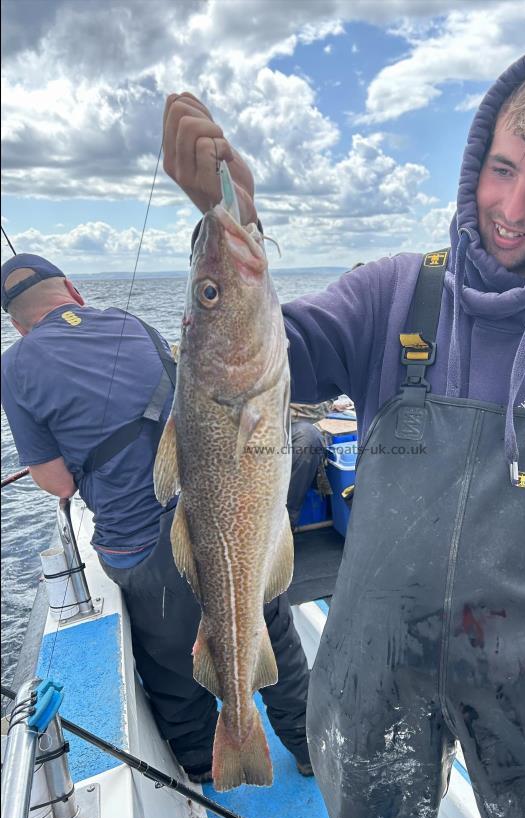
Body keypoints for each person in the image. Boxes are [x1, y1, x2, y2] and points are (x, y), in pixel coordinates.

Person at [163, 46, 525, 818]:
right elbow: (271, 352)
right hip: (377, 671)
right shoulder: (393, 295)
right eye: (501, 170)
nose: (510, 207)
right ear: (477, 161)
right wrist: (232, 219)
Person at [0, 254, 313, 782]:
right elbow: (189, 408)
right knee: (267, 629)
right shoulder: (132, 324)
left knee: (171, 665)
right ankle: (306, 746)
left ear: (16, 324)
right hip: (211, 515)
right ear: (73, 290)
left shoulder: (13, 366)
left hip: (139, 549)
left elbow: (58, 483)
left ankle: (203, 766)